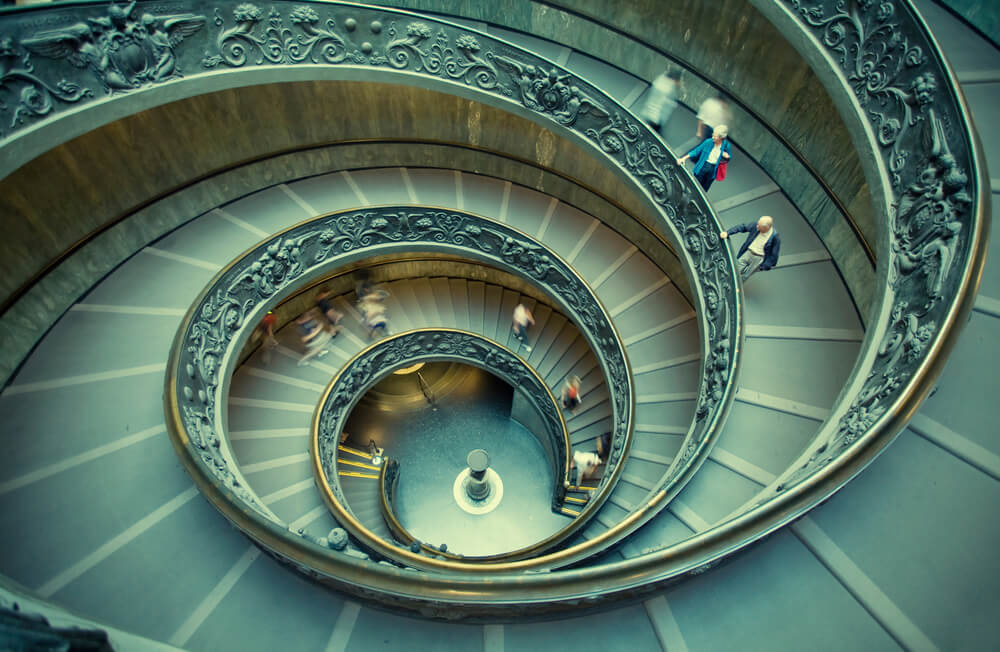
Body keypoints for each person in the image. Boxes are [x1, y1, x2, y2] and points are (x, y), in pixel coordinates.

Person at [721, 215, 781, 281]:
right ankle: (725, 281)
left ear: (767, 228)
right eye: (758, 224)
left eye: (760, 227)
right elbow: (742, 227)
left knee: (745, 276)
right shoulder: (756, 225)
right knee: (735, 268)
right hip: (748, 252)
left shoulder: (775, 236)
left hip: (759, 258)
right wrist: (728, 233)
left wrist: (766, 266)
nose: (757, 227)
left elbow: (774, 253)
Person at [676, 125, 731, 192]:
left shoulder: (726, 146)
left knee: (705, 187)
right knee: (695, 184)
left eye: (715, 136)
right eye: (713, 134)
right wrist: (683, 158)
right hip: (703, 166)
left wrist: (727, 157)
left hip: (713, 169)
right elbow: (696, 151)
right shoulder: (708, 142)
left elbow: (728, 158)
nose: (713, 137)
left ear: (721, 138)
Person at [639, 69, 681, 137]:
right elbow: (666, 104)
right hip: (656, 119)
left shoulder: (660, 80)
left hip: (648, 114)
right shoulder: (669, 87)